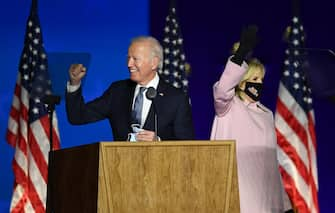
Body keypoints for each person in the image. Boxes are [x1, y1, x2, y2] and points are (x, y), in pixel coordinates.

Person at [210, 26, 292, 212]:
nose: (259, 83)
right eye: (255, 78)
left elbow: (272, 163)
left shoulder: (266, 114)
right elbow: (222, 90)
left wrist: (285, 205)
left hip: (265, 197)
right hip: (237, 195)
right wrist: (240, 54)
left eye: (262, 79)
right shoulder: (228, 106)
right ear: (241, 81)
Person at [66, 36, 194, 141]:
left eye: (135, 59)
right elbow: (78, 116)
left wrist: (159, 142)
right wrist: (75, 83)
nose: (129, 64)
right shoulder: (117, 91)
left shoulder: (176, 98)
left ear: (154, 63)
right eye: (128, 58)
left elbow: (186, 146)